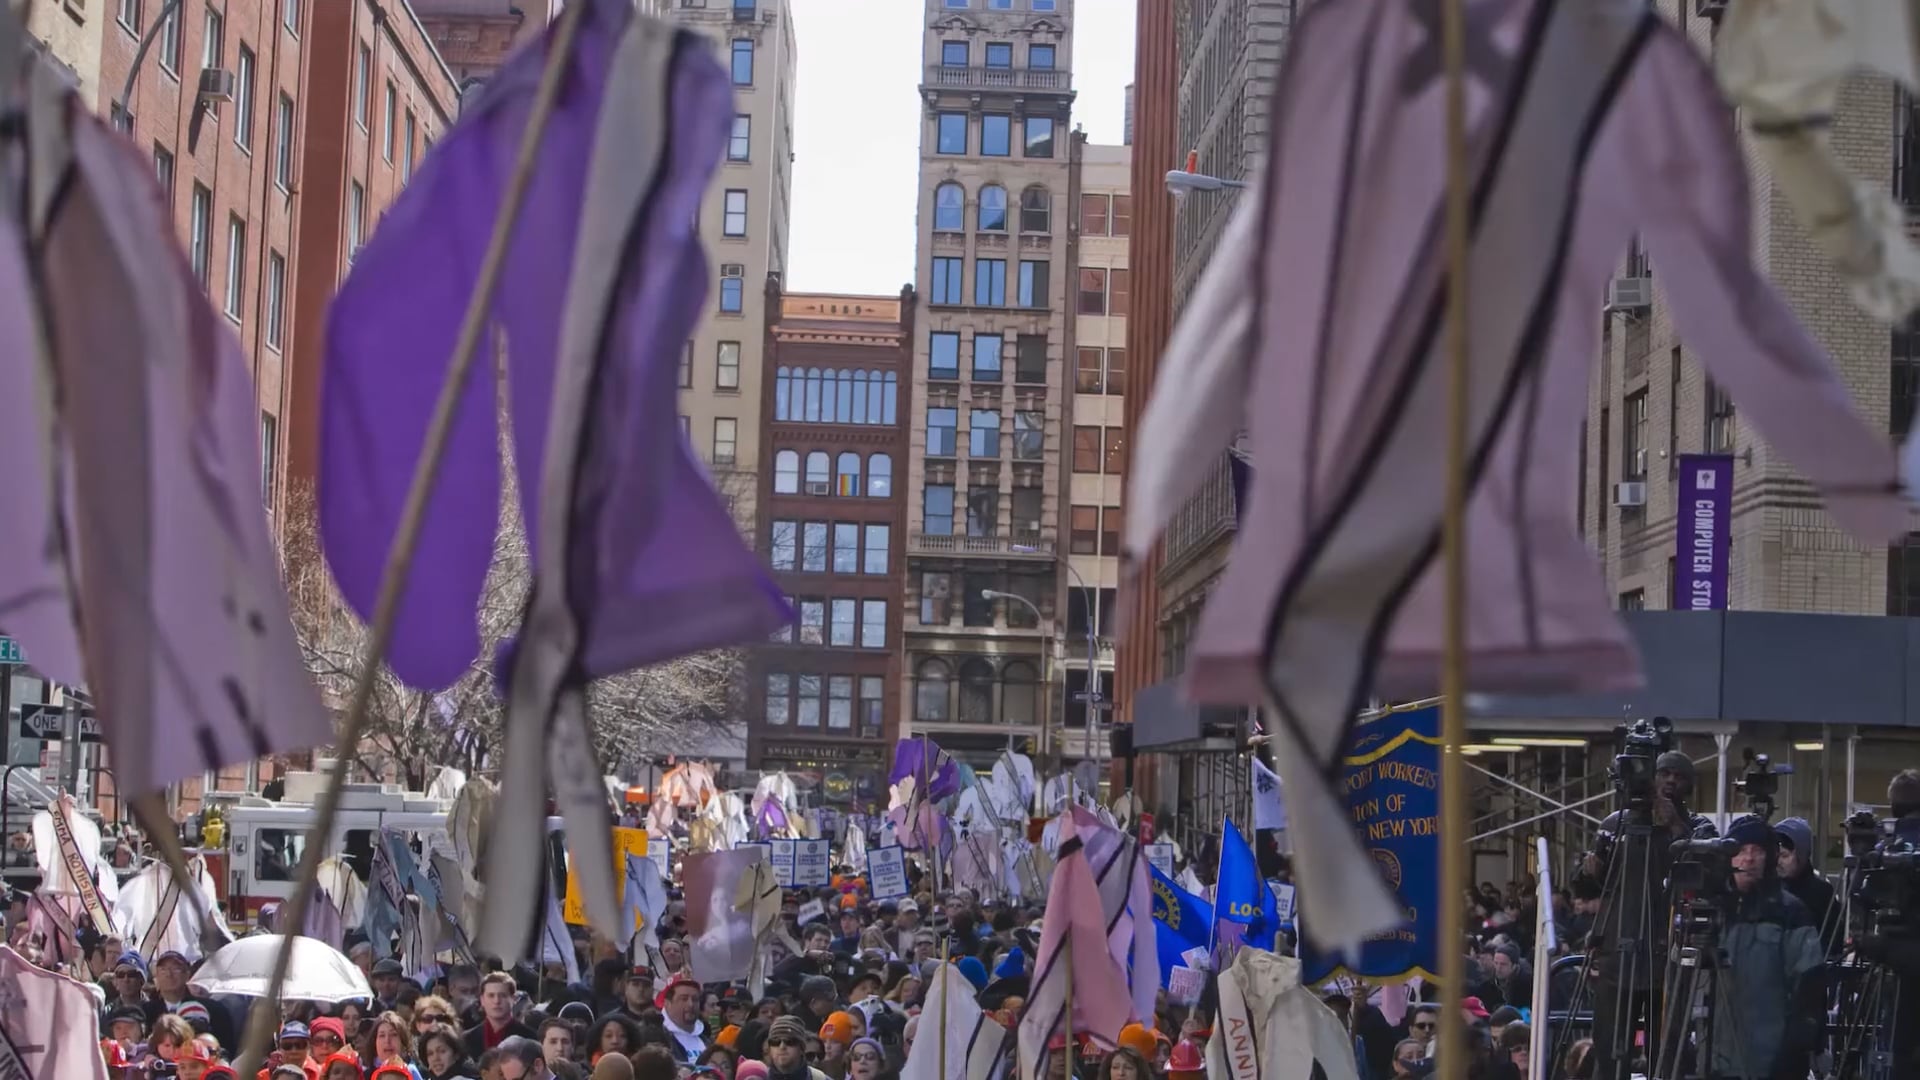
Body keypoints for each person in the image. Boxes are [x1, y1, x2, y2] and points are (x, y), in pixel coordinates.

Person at [1583, 749, 1717, 1080]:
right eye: (1664, 773)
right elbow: (1587, 887)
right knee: (1610, 1056)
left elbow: (1708, 874)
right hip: (1619, 959)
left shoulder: (1698, 827)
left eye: (1679, 776)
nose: (1670, 781)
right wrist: (1591, 868)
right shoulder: (1616, 824)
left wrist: (1673, 826)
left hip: (1668, 961)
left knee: (1666, 1058)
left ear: (1690, 785)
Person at [1708, 815, 1827, 1080]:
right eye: (1740, 850)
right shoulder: (1711, 911)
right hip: (1716, 1059)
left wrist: (1796, 1049)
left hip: (1771, 1060)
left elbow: (1810, 986)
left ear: (1769, 859)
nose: (1748, 859)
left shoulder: (1791, 913)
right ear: (1729, 856)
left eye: (1757, 851)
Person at [1773, 817, 1844, 957]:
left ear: (1802, 855)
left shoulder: (1822, 893)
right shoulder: (1767, 890)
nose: (1778, 862)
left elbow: (1832, 945)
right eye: (1775, 856)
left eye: (1784, 856)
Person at [468, 972, 539, 1058]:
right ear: (482, 1000)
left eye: (503, 995)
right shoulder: (467, 1039)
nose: (497, 1001)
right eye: (491, 995)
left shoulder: (529, 1038)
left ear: (513, 999)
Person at [657, 975, 706, 1062]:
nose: (691, 1004)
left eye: (695, 999)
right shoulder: (657, 1039)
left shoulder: (707, 1039)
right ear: (667, 1003)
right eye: (684, 999)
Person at [763, 1017, 830, 1080]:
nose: (782, 1046)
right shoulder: (759, 1077)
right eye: (775, 1042)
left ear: (801, 1048)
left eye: (790, 1042)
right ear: (769, 1048)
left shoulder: (820, 1078)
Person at [371, 1011, 426, 1079]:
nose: (387, 1041)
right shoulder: (365, 1074)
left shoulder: (411, 1072)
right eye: (382, 1035)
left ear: (403, 1042)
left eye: (393, 1035)